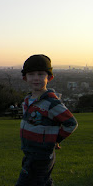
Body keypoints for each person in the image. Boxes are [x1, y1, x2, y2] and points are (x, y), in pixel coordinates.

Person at [16, 54, 78, 186]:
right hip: (29, 151)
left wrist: (55, 139)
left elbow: (71, 123)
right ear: (25, 78)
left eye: (40, 74)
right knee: (43, 182)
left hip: (41, 155)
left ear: (49, 77)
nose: (36, 78)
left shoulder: (51, 103)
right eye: (31, 74)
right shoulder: (27, 100)